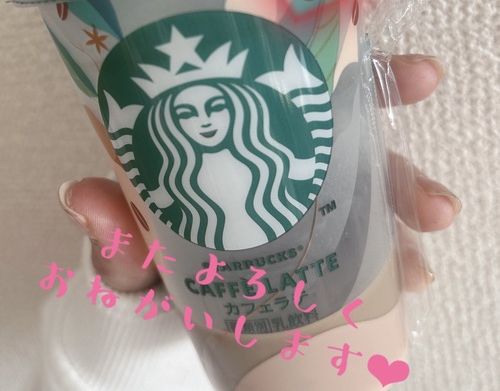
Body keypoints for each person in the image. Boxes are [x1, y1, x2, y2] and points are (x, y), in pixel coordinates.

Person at [50, 54, 461, 391]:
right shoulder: (182, 183)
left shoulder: (276, 164)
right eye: (187, 113)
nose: (204, 122)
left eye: (216, 107)